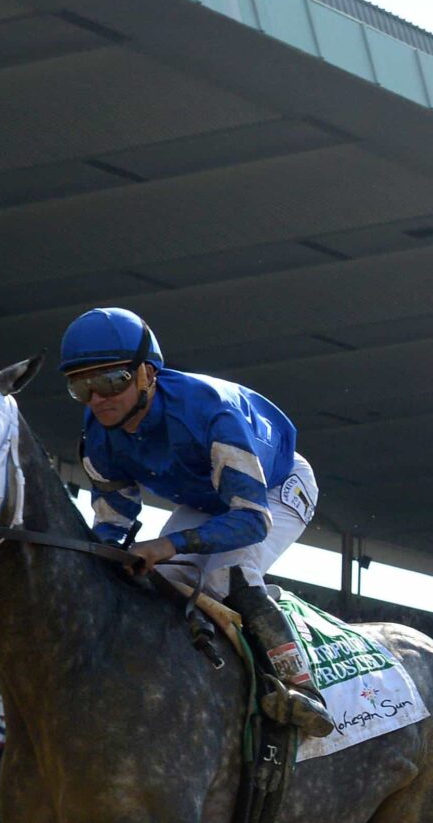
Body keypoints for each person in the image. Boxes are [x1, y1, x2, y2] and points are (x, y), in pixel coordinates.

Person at [58, 308, 333, 736]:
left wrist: (167, 544)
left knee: (230, 573)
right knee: (160, 581)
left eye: (111, 382)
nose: (97, 400)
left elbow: (249, 520)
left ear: (147, 373)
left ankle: (302, 690)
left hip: (273, 489)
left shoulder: (209, 413)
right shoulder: (97, 432)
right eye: (81, 387)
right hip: (206, 496)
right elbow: (112, 519)